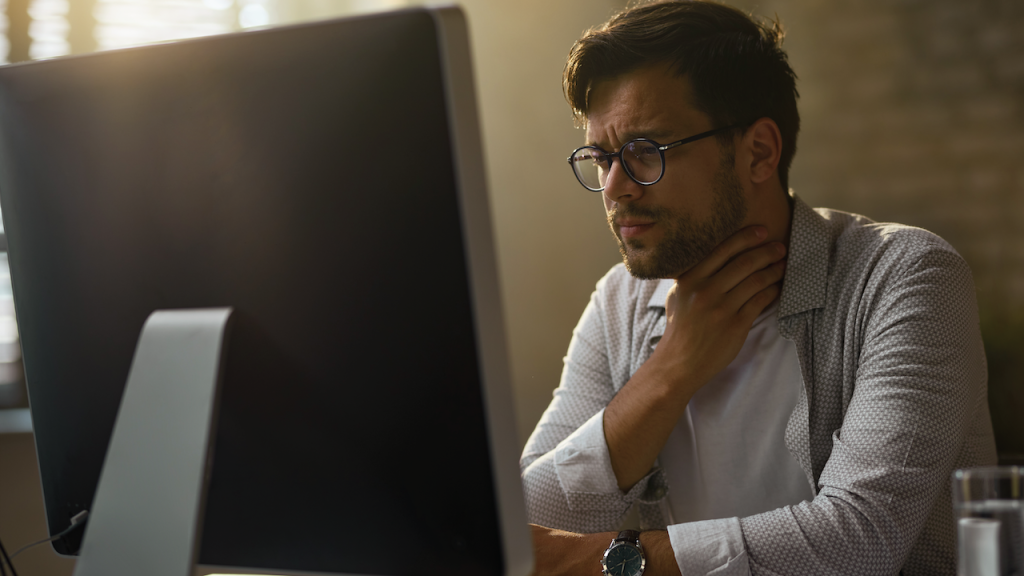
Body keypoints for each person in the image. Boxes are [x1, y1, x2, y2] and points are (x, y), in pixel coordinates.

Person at [519, 2, 998, 575]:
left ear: (759, 152)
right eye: (601, 157)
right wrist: (670, 371)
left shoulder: (904, 278)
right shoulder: (619, 303)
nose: (615, 187)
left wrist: (599, 560)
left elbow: (860, 539)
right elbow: (518, 513)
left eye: (646, 151)